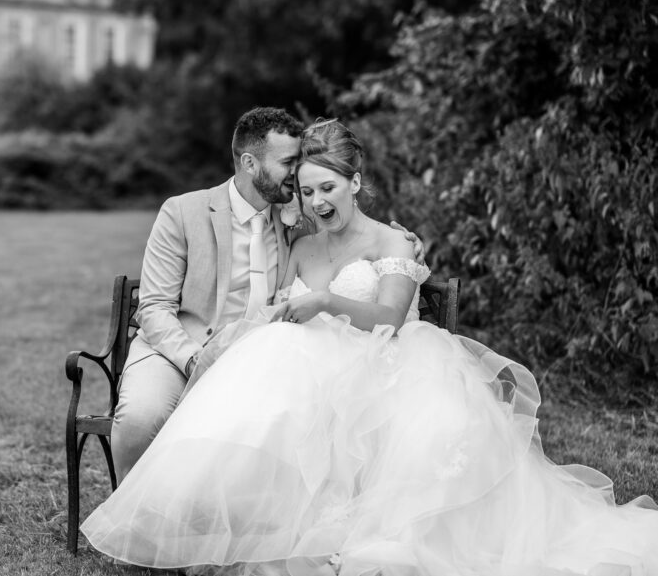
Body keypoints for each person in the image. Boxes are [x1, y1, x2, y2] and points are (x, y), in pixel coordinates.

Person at [83, 120, 658, 576]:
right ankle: (185, 528)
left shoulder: (392, 241)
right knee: (264, 391)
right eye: (306, 190)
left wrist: (326, 304)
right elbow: (279, 300)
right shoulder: (301, 242)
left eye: (327, 187)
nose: (315, 200)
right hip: (311, 362)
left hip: (387, 362)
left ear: (356, 182)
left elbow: (387, 316)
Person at [111, 108, 422, 483]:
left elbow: (350, 232)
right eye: (289, 163)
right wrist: (196, 360)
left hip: (260, 359)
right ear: (249, 163)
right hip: (179, 351)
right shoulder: (183, 212)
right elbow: (156, 307)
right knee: (141, 416)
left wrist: (408, 250)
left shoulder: (295, 215)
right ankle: (133, 521)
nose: (297, 175)